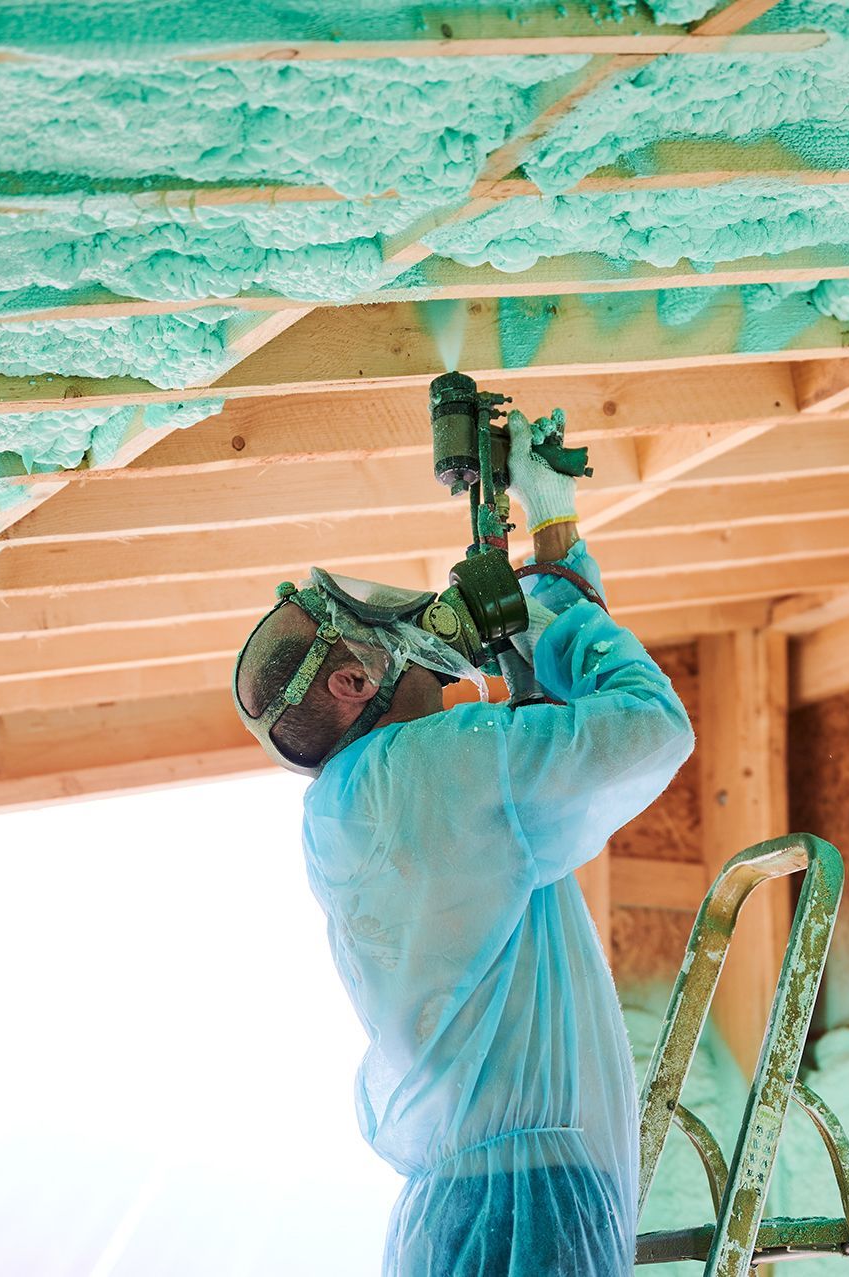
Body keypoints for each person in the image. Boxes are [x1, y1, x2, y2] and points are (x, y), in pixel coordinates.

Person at [231, 420, 695, 1277]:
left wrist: (553, 537)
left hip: (452, 1210)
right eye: (364, 628)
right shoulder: (439, 768)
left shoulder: (348, 807)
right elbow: (647, 729)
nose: (400, 621)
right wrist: (551, 593)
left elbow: (536, 741)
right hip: (538, 1201)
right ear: (349, 682)